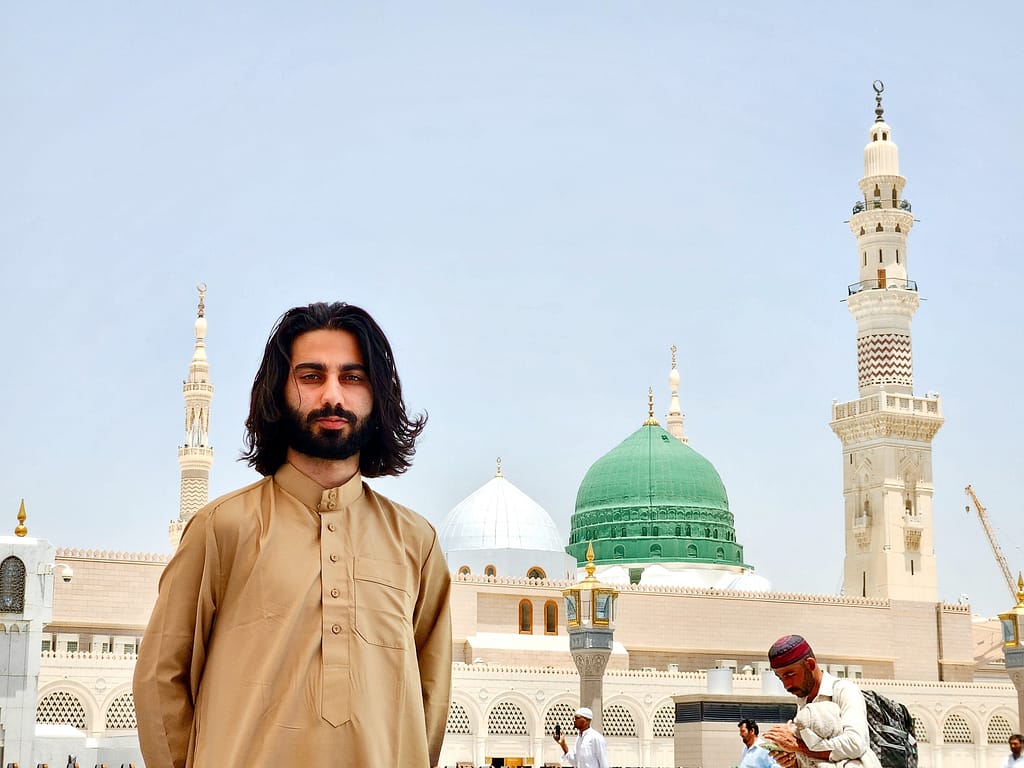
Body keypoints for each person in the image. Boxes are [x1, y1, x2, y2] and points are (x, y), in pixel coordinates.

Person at [133, 302, 452, 768]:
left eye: (352, 377)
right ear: (279, 392)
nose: (332, 396)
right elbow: (161, 681)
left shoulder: (415, 542)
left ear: (376, 395)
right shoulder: (222, 528)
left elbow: (432, 698)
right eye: (311, 376)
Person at [761, 635, 881, 768]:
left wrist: (798, 747)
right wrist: (792, 761)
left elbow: (855, 744)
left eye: (790, 674)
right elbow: (814, 758)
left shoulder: (844, 690)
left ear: (810, 664)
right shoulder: (803, 702)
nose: (786, 685)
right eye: (780, 678)